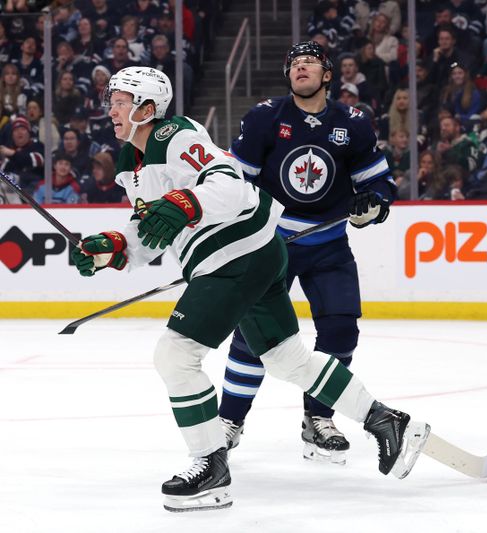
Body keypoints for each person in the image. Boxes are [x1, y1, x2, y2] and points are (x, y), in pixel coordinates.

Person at [68, 66, 428, 512]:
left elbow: (229, 184)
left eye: (120, 101)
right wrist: (116, 247)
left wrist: (184, 203)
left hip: (235, 254)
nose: (111, 109)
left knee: (176, 354)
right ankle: (388, 422)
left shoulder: (175, 135)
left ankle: (210, 467)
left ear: (146, 109)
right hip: (249, 253)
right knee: (285, 357)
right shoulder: (131, 164)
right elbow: (151, 227)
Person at [217, 41, 401, 466]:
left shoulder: (353, 123)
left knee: (341, 332)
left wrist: (370, 206)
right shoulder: (265, 116)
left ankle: (317, 419)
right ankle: (228, 422)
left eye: (310, 63)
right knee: (253, 336)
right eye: (295, 64)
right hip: (269, 246)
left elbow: (379, 185)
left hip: (329, 245)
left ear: (328, 75)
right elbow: (231, 180)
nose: (301, 69)